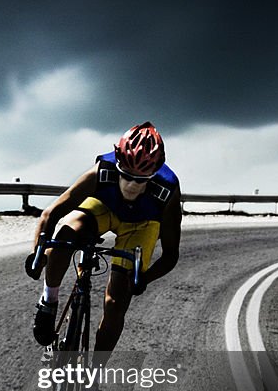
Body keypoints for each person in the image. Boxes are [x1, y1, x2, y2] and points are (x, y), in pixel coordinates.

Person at [27, 122, 180, 350]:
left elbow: (170, 255)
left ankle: (95, 374)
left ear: (155, 172)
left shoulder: (167, 190)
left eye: (140, 180)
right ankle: (48, 301)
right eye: (125, 175)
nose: (131, 185)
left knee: (116, 302)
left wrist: (142, 279)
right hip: (104, 206)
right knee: (64, 237)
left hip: (141, 225)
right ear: (117, 162)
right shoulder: (102, 170)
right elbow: (52, 213)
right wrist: (37, 257)